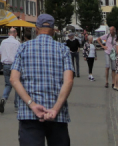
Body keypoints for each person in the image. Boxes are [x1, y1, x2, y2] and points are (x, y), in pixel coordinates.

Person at [10, 14, 74, 146]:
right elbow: (69, 81)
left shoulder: (23, 47)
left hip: (29, 115)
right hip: (57, 115)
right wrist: (55, 109)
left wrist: (32, 104)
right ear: (53, 30)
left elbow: (14, 79)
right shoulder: (63, 49)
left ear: (36, 28)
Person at [0, 28, 20, 113]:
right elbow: (19, 55)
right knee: (17, 85)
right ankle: (17, 106)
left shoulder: (3, 42)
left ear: (8, 33)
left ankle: (4, 98)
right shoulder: (17, 43)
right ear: (15, 34)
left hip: (6, 66)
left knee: (8, 85)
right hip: (14, 66)